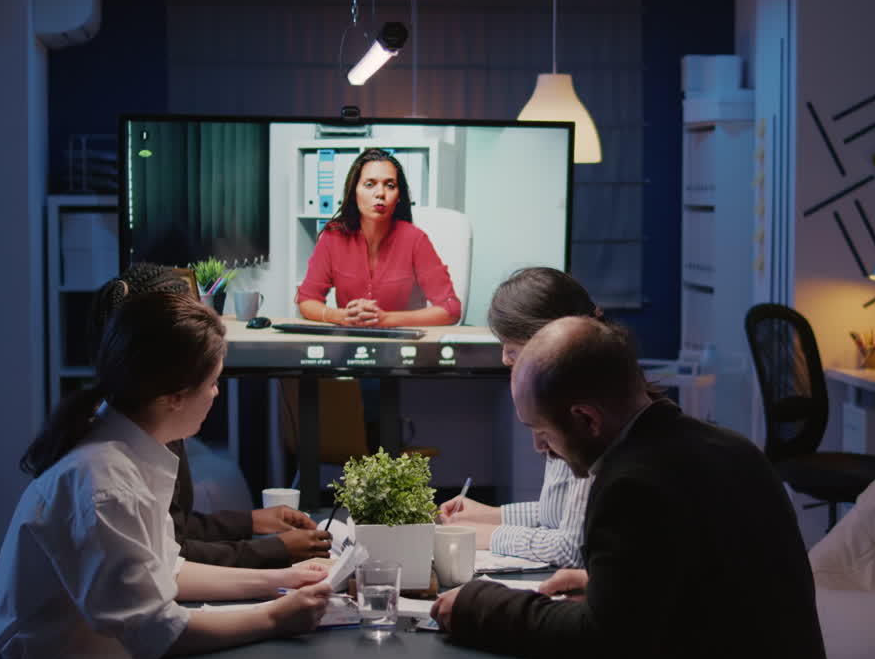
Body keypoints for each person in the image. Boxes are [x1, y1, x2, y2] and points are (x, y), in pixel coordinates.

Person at [431, 317, 833, 659]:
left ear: (587, 419)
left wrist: (477, 604)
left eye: (542, 431)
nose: (540, 448)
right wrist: (611, 584)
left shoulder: (632, 484)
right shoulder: (733, 449)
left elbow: (611, 645)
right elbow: (720, 581)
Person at [0, 292, 332, 659]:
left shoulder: (130, 449)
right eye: (213, 382)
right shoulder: (105, 482)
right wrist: (273, 617)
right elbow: (155, 631)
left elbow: (166, 570)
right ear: (174, 397)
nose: (216, 393)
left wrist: (281, 580)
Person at [89, 263, 332, 567]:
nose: (216, 393)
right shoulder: (110, 477)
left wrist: (251, 521)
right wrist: (275, 554)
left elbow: (168, 533)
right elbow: (170, 562)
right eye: (212, 381)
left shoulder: (135, 425)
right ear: (174, 390)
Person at [437, 267, 602, 567]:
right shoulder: (567, 396)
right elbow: (560, 512)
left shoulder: (585, 413)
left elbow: (571, 548)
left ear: (548, 337)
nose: (504, 358)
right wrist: (489, 514)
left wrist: (490, 533)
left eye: (511, 345)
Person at [296, 148, 462, 327]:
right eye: (370, 184)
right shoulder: (333, 237)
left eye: (390, 185)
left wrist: (386, 319)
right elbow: (306, 300)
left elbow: (451, 308)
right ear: (354, 192)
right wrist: (340, 316)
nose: (380, 193)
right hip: (350, 342)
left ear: (399, 196)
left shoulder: (415, 240)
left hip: (403, 345)